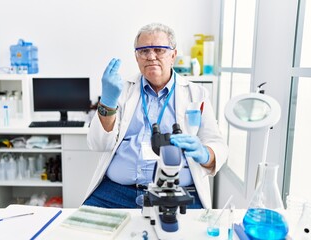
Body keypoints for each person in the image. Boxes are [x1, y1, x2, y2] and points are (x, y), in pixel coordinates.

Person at [83, 23, 228, 209]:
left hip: (176, 193)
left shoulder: (197, 94)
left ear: (173, 56)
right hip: (116, 192)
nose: (151, 56)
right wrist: (108, 102)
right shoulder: (122, 90)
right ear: (136, 57)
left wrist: (204, 153)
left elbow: (218, 145)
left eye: (159, 50)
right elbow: (98, 144)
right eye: (143, 51)